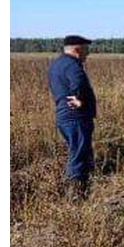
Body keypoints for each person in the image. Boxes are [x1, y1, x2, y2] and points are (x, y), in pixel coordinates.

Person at [48, 35, 97, 199]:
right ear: (77, 49)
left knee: (78, 150)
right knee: (79, 153)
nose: (87, 54)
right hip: (76, 117)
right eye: (86, 49)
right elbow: (79, 82)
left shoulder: (56, 64)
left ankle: (83, 187)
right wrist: (80, 100)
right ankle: (76, 195)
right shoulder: (72, 65)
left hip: (64, 116)